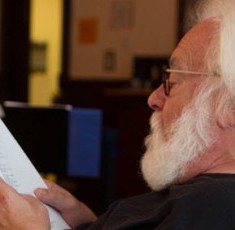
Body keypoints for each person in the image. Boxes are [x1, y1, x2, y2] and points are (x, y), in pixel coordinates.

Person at [1, 0, 235, 229]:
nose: (153, 98)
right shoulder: (202, 196)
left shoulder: (215, 207)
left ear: (229, 108)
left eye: (172, 81)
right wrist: (85, 222)